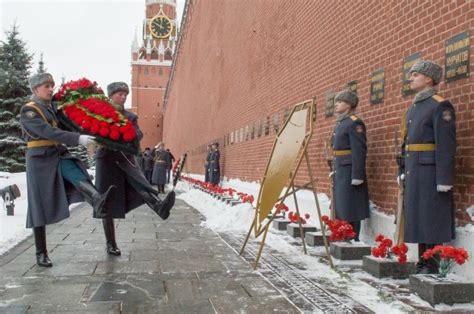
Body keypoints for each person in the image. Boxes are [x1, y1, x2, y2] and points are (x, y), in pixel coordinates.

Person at [20, 73, 115, 267]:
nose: (50, 88)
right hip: (39, 159)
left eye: (51, 85)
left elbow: (69, 125)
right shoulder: (29, 110)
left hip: (56, 154)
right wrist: (78, 139)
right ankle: (41, 252)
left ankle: (98, 199)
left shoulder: (52, 110)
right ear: (35, 89)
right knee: (38, 205)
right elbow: (48, 132)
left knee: (74, 170)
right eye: (46, 85)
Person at [95, 82, 176, 256]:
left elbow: (138, 134)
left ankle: (160, 207)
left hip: (125, 158)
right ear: (111, 95)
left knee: (141, 185)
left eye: (125, 94)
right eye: (120, 94)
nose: (123, 97)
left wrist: (125, 129)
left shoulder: (130, 116)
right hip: (106, 161)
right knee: (107, 199)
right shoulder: (99, 112)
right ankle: (111, 243)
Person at [399, 60, 456, 274]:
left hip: (430, 170)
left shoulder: (439, 105)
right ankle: (422, 260)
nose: (410, 78)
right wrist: (402, 170)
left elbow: (446, 145)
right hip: (415, 169)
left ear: (428, 79)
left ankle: (431, 263)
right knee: (418, 215)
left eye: (415, 75)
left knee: (431, 215)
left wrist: (444, 178)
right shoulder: (414, 107)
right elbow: (405, 143)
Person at [331, 90, 369, 241]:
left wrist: (357, 174)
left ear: (348, 104)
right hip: (341, 168)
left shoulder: (354, 122)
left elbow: (359, 150)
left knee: (350, 206)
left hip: (350, 170)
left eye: (339, 101)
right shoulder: (341, 122)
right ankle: (342, 237)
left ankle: (352, 238)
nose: (336, 104)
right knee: (341, 205)